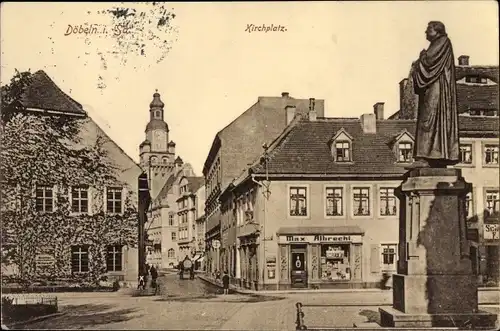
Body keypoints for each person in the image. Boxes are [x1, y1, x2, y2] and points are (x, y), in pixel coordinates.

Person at [411, 21, 459, 168]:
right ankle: (431, 155)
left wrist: (422, 56)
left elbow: (429, 61)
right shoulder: (438, 43)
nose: (425, 32)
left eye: (428, 29)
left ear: (437, 31)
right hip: (433, 88)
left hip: (437, 89)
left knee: (430, 119)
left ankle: (427, 156)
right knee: (430, 120)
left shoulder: (443, 42)